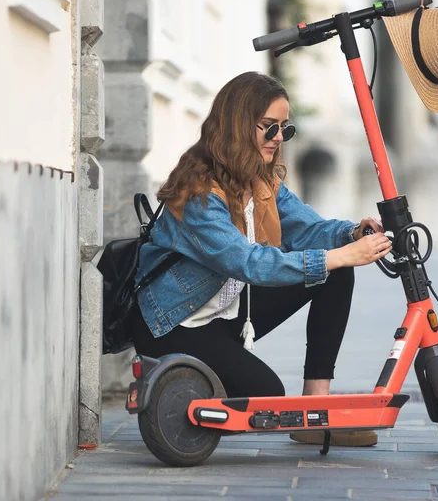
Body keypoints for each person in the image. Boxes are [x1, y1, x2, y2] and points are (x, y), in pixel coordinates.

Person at [131, 71, 392, 447]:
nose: (277, 139)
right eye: (269, 127)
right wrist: (340, 254)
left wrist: (352, 234)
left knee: (336, 273)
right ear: (238, 125)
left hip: (224, 312)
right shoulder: (199, 194)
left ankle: (315, 412)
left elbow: (306, 227)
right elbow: (249, 263)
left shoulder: (260, 180)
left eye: (285, 129)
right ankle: (179, 384)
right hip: (176, 324)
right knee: (266, 393)